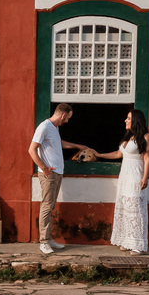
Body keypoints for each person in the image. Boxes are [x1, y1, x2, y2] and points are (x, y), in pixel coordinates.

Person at [28, 103, 87, 254]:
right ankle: (43, 242)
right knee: (47, 206)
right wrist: (45, 168)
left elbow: (58, 143)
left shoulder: (55, 128)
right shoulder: (44, 127)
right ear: (62, 115)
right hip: (49, 174)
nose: (67, 121)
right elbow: (32, 149)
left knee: (51, 205)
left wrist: (77, 146)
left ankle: (49, 238)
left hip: (57, 173)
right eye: (67, 118)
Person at [92, 109, 149, 254]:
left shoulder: (145, 137)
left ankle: (138, 245)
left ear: (136, 120)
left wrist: (146, 177)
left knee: (136, 210)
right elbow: (118, 154)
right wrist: (99, 154)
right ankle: (126, 241)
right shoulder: (128, 137)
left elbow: (147, 158)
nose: (125, 120)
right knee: (125, 209)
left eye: (128, 118)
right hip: (124, 177)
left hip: (135, 177)